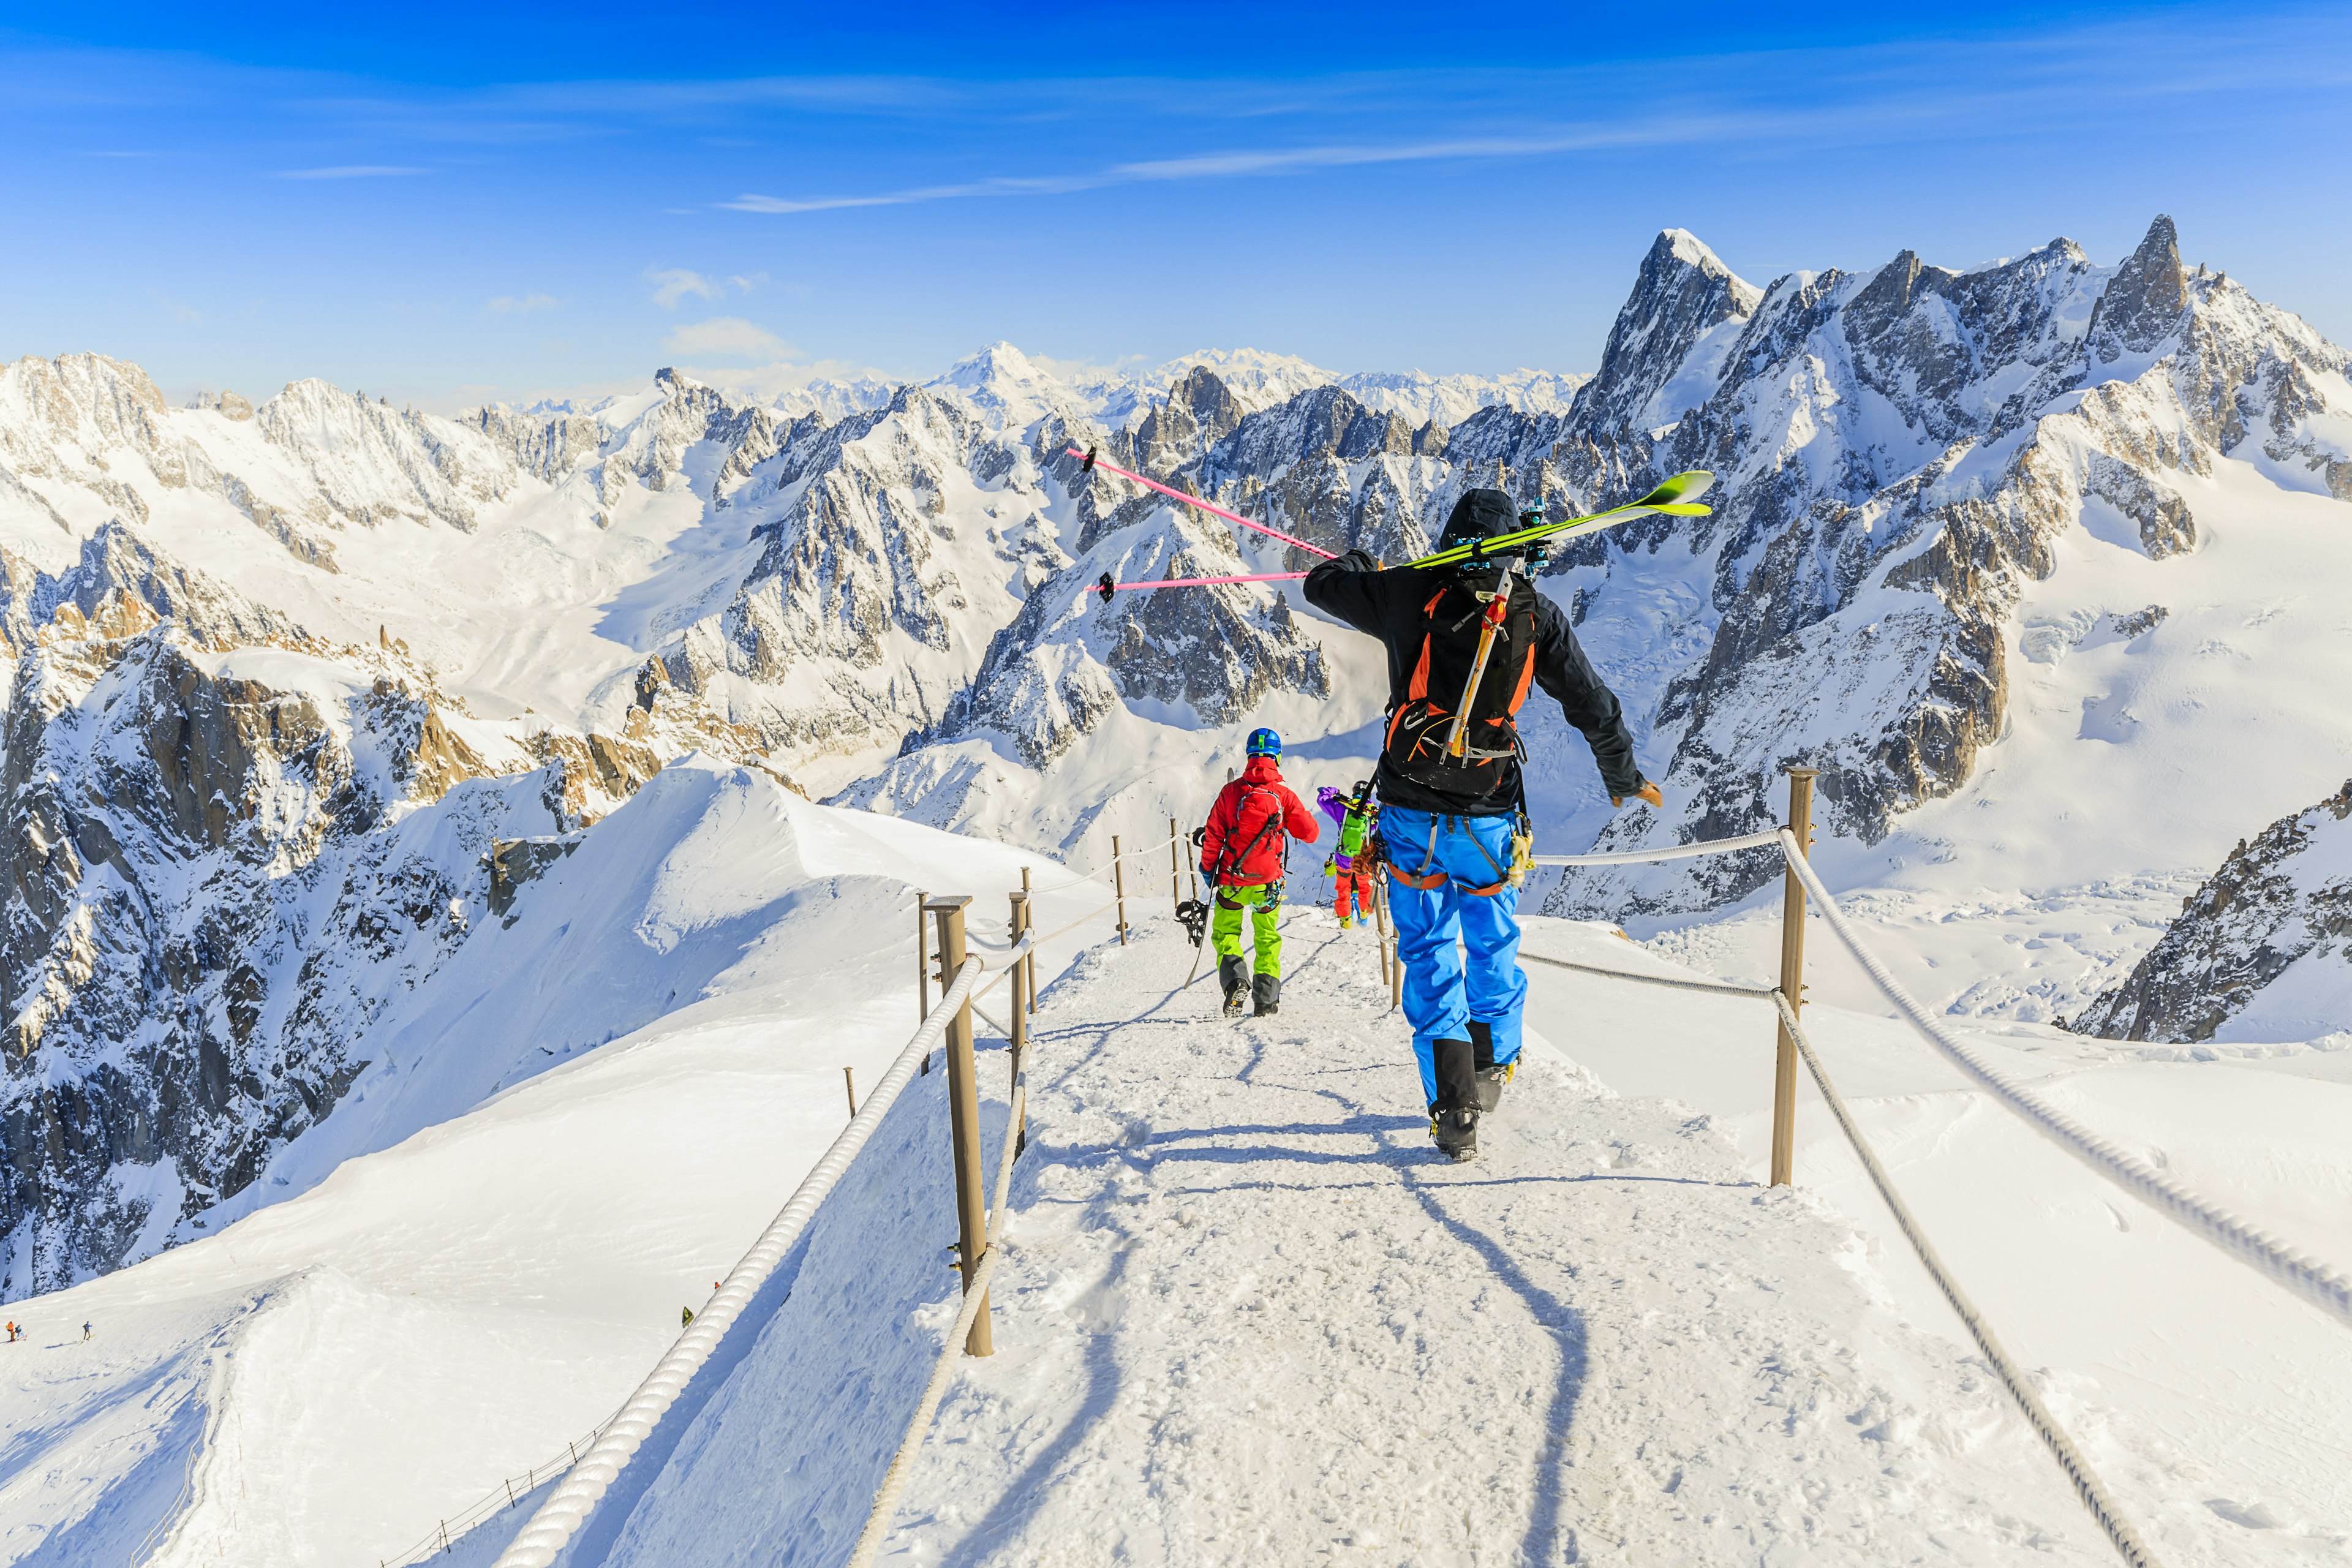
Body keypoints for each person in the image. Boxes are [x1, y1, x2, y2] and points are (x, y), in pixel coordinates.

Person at [1305, 488, 1661, 1162]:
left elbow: (1321, 586)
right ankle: (1493, 1066)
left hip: (1411, 809)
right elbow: (1592, 699)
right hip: (1489, 815)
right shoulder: (1532, 611)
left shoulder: (1407, 591)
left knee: (1428, 952)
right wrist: (1621, 773)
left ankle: (1454, 1104)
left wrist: (1358, 563)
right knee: (1490, 941)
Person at [1198, 728, 1319, 1018]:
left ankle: (1236, 981)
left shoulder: (1231, 792)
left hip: (1232, 880)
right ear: (1277, 757)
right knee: (1267, 937)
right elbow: (1311, 834)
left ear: (1249, 756)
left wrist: (1207, 869)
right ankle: (1265, 1001)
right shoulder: (1283, 795)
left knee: (1226, 933)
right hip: (1268, 883)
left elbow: (1214, 835)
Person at [1315, 781, 1379, 929]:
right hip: (1363, 860)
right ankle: (1363, 915)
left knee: (1343, 890)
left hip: (1343, 860)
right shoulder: (1372, 811)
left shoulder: (1343, 807)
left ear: (1354, 792)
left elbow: (1322, 799)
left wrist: (1333, 790)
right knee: (1365, 888)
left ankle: (1346, 921)